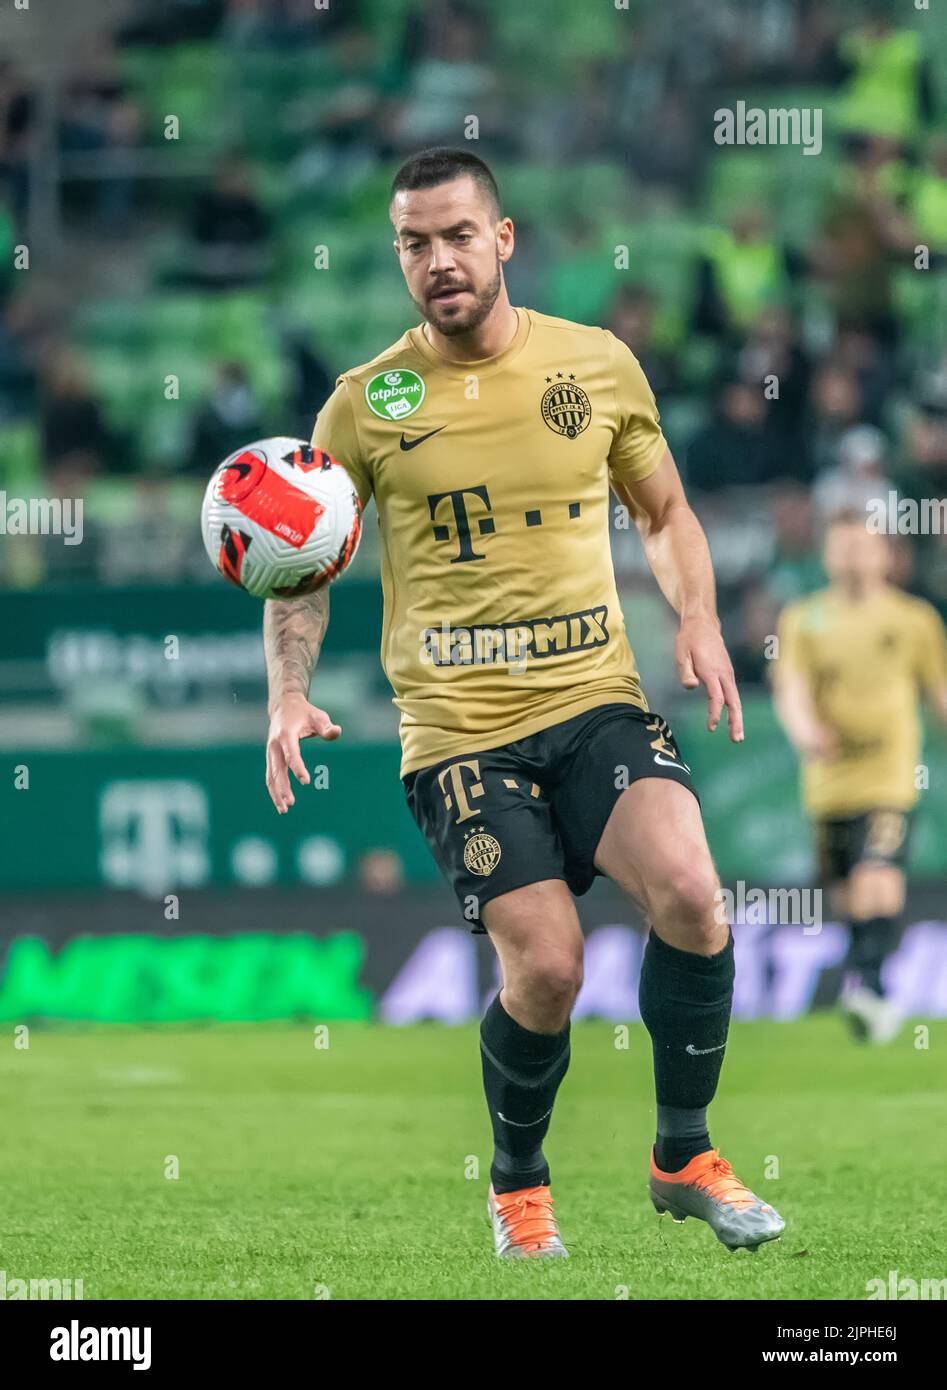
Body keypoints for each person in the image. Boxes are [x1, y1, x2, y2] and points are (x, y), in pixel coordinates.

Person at [262, 148, 785, 1258]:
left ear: (503, 239)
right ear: (397, 256)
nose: (437, 260)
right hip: (457, 731)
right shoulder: (362, 405)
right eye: (413, 242)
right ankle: (516, 1184)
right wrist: (287, 693)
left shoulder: (593, 365)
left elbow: (664, 510)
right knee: (546, 966)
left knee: (693, 892)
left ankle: (681, 1154)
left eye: (457, 234)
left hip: (594, 696)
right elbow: (299, 569)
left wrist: (694, 618)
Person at [773, 512, 947, 1043]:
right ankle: (869, 981)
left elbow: (938, 691)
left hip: (890, 774)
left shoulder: (914, 619)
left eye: (861, 546)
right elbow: (791, 689)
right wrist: (806, 734)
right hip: (828, 783)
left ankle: (870, 990)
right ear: (827, 556)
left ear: (884, 555)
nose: (851, 556)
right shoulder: (803, 619)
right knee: (847, 893)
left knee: (879, 872)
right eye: (841, 546)